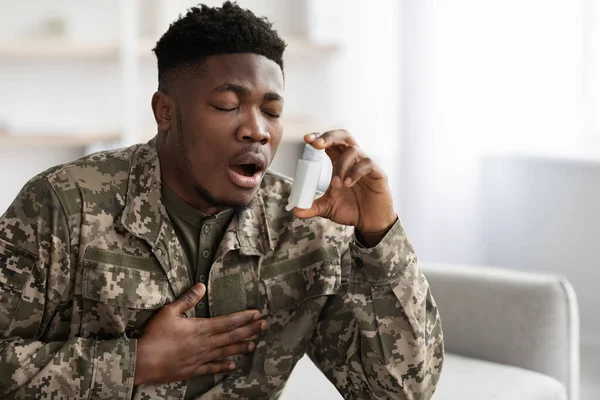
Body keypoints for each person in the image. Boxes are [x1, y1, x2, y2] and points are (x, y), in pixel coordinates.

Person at [0, 2, 443, 399]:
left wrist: (378, 235)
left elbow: (400, 392)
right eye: (228, 105)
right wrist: (133, 363)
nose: (258, 130)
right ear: (165, 112)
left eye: (272, 111)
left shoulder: (306, 226)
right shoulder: (62, 204)